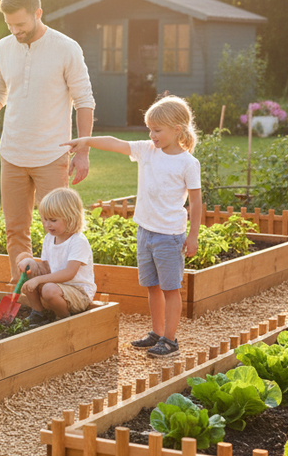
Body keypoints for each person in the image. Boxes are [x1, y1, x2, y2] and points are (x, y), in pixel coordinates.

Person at [0, 0, 95, 281]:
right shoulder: (4, 47)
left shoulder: (66, 48)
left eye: (20, 24)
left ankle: (62, 291)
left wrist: (83, 150)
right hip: (13, 154)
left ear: (38, 13)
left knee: (62, 229)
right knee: (15, 230)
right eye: (9, 25)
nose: (15, 31)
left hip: (51, 155)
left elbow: (84, 101)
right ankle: (22, 294)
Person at [62, 95, 202, 357]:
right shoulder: (147, 150)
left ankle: (170, 341)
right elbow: (116, 143)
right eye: (150, 129)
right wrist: (86, 141)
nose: (152, 135)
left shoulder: (187, 163)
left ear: (177, 130)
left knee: (170, 289)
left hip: (169, 236)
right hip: (145, 232)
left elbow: (195, 202)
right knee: (151, 286)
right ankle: (157, 333)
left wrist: (192, 235)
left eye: (157, 130)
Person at [15, 187, 97, 325]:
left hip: (78, 293)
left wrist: (38, 280)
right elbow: (47, 267)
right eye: (45, 219)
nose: (47, 225)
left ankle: (64, 319)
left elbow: (69, 273)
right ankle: (39, 313)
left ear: (70, 218)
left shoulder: (78, 241)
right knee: (29, 270)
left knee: (48, 289)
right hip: (56, 287)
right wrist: (31, 262)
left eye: (53, 220)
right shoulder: (49, 238)